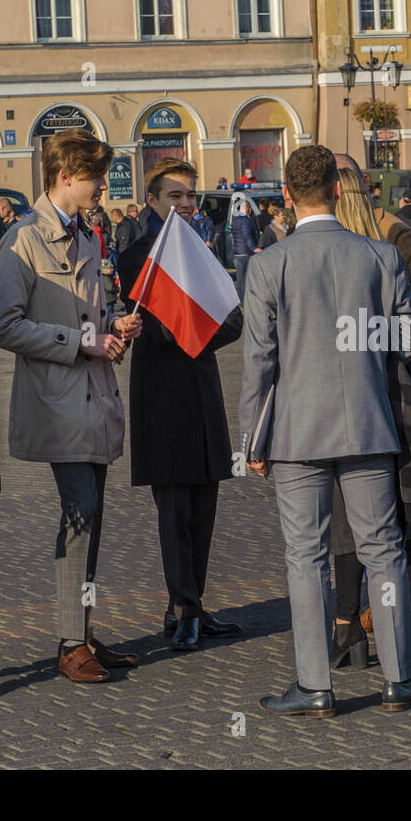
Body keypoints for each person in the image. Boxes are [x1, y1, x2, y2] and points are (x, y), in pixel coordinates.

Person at [241, 145, 411, 716]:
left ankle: (316, 684)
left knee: (306, 556)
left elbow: (259, 362)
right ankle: (398, 677)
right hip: (368, 421)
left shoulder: (269, 264)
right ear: (339, 191)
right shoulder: (378, 256)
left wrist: (252, 438)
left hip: (297, 430)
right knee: (383, 549)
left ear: (287, 197)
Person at [0, 129, 144, 684]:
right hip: (59, 400)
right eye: (96, 177)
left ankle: (82, 629)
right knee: (79, 513)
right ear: (64, 177)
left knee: (92, 519)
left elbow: (87, 315)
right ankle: (69, 641)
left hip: (94, 396)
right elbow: (1, 325)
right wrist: (81, 340)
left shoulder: (89, 234)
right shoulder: (23, 240)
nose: (104, 186)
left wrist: (113, 324)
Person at [115, 158, 244, 651]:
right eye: (176, 197)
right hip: (162, 396)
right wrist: (198, 329)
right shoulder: (137, 259)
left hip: (203, 391)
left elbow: (233, 321)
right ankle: (182, 606)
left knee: (204, 504)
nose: (187, 204)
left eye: (191, 195)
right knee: (173, 508)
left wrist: (197, 330)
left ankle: (193, 603)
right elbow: (163, 333)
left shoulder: (205, 252)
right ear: (152, 202)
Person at [328, 165, 411, 664]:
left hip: (346, 386)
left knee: (347, 511)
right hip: (397, 381)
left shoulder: (369, 231)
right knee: (404, 505)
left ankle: (351, 622)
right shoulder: (385, 230)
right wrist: (398, 329)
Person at [229, 193, 260, 301]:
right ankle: (244, 299)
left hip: (238, 251)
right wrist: (253, 248)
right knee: (245, 278)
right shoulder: (246, 220)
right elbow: (247, 235)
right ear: (248, 209)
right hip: (246, 252)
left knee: (240, 277)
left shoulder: (235, 219)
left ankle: (241, 298)